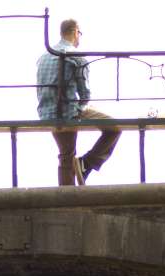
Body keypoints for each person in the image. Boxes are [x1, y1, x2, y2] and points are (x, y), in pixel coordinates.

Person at [37, 19, 121, 185]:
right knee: (115, 127)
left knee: (66, 154)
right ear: (76, 32)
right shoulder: (77, 56)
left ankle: (67, 193)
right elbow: (84, 94)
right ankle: (86, 163)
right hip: (68, 111)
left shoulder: (44, 56)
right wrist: (82, 107)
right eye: (80, 34)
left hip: (46, 112)